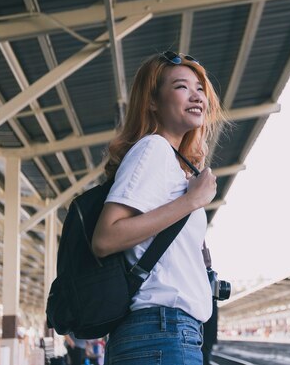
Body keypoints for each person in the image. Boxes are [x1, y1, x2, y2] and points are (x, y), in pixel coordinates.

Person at [91, 51, 224, 365]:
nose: (197, 96)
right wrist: (190, 201)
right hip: (162, 333)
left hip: (167, 335)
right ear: (152, 102)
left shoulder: (172, 162)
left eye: (200, 88)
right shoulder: (154, 148)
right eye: (181, 87)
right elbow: (105, 238)